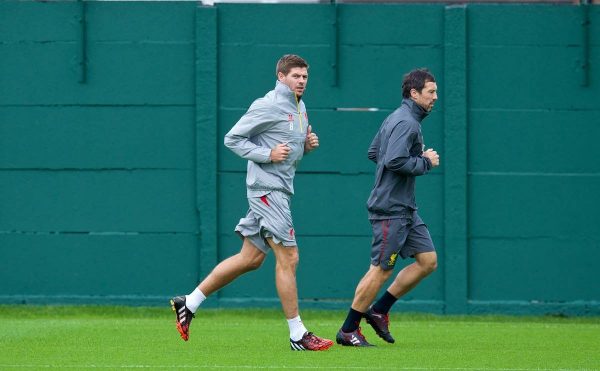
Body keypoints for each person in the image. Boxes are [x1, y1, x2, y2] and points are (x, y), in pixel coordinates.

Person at [170, 54, 333, 352]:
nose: (301, 81)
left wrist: (306, 148)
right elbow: (232, 139)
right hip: (266, 191)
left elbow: (289, 151)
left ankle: (188, 302)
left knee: (251, 259)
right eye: (295, 76)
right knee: (290, 257)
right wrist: (266, 154)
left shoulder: (300, 107)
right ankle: (298, 334)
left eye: (305, 77)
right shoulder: (268, 104)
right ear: (281, 76)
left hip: (279, 189)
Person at [336, 68, 440, 347]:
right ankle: (348, 330)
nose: (435, 97)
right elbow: (393, 160)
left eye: (435, 92)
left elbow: (375, 153)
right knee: (380, 270)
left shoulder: (397, 118)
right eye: (431, 92)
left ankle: (379, 310)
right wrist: (425, 162)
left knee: (428, 261)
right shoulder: (407, 123)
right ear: (414, 93)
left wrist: (404, 163)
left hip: (406, 209)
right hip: (390, 210)